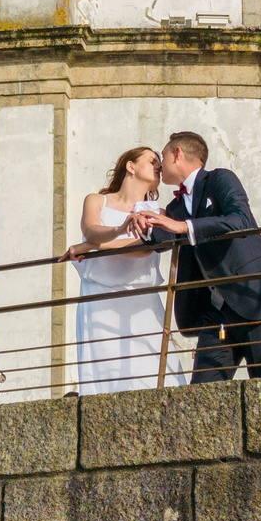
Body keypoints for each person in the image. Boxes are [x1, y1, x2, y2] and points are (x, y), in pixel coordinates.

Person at [133, 131, 261, 381]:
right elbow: (165, 238)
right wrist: (144, 228)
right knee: (202, 396)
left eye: (162, 156)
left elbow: (240, 220)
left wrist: (186, 227)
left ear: (177, 154)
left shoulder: (220, 179)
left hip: (258, 300)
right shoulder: (176, 207)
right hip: (216, 316)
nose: (160, 164)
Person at [66, 146, 173, 393]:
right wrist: (119, 228)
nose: (158, 165)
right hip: (100, 299)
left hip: (141, 299)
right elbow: (91, 229)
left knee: (151, 366)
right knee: (106, 371)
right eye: (151, 160)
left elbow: (144, 248)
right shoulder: (97, 200)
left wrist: (90, 247)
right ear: (131, 166)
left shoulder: (159, 213)